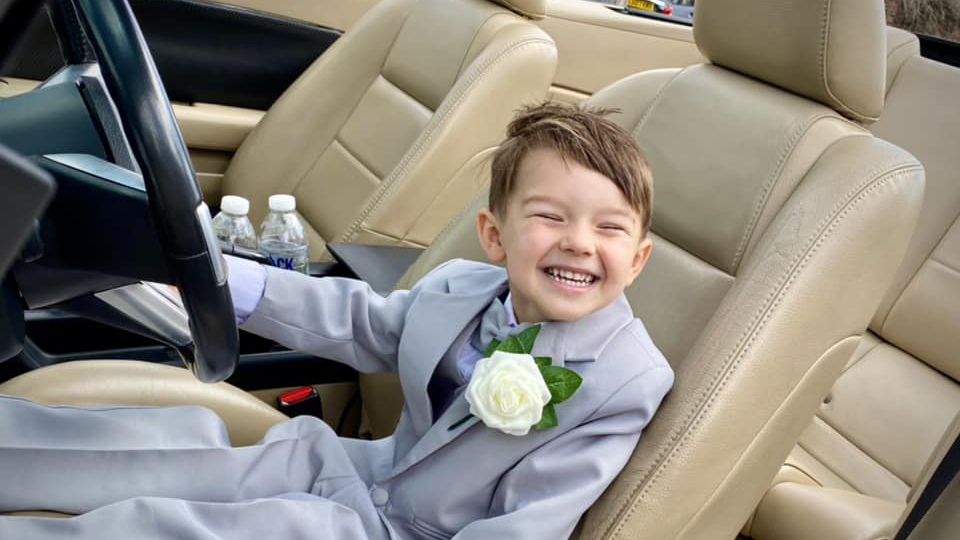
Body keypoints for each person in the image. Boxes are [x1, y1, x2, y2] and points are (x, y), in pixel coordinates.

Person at [0, 103, 674, 539]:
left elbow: (528, 526)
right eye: (550, 217)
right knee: (165, 442)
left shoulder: (622, 382)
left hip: (401, 534)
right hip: (348, 465)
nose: (581, 242)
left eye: (609, 229)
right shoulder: (461, 287)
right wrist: (221, 278)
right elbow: (361, 324)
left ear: (638, 259)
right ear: (494, 236)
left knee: (169, 525)